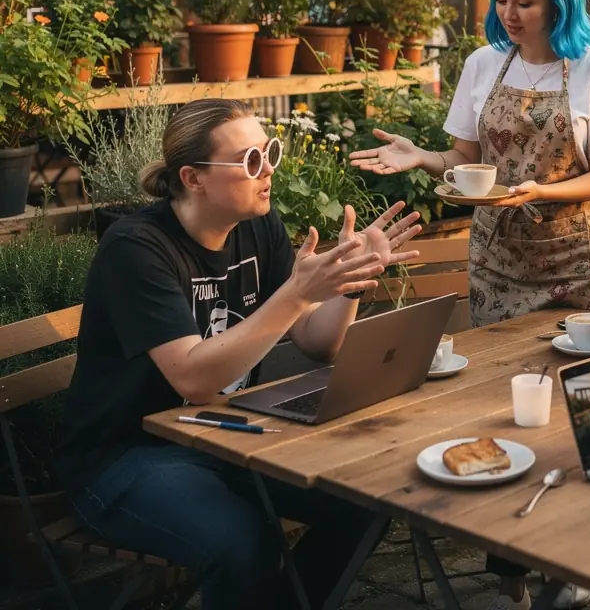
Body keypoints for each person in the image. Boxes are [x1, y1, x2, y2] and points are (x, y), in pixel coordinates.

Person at [352, 0, 590, 610]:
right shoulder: (484, 63)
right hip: (498, 262)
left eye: (525, 1)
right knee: (505, 407)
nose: (510, 13)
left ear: (558, 2)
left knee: (579, 408)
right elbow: (463, 161)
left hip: (574, 261)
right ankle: (510, 564)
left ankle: (573, 556)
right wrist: (420, 156)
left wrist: (543, 191)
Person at [54, 99, 422, 610]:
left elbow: (318, 343)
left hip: (225, 436)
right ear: (194, 178)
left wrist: (350, 283)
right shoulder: (136, 248)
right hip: (124, 454)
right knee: (242, 543)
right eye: (250, 160)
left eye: (270, 152)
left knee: (366, 497)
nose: (268, 169)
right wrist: (296, 293)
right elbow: (193, 379)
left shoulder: (257, 227)